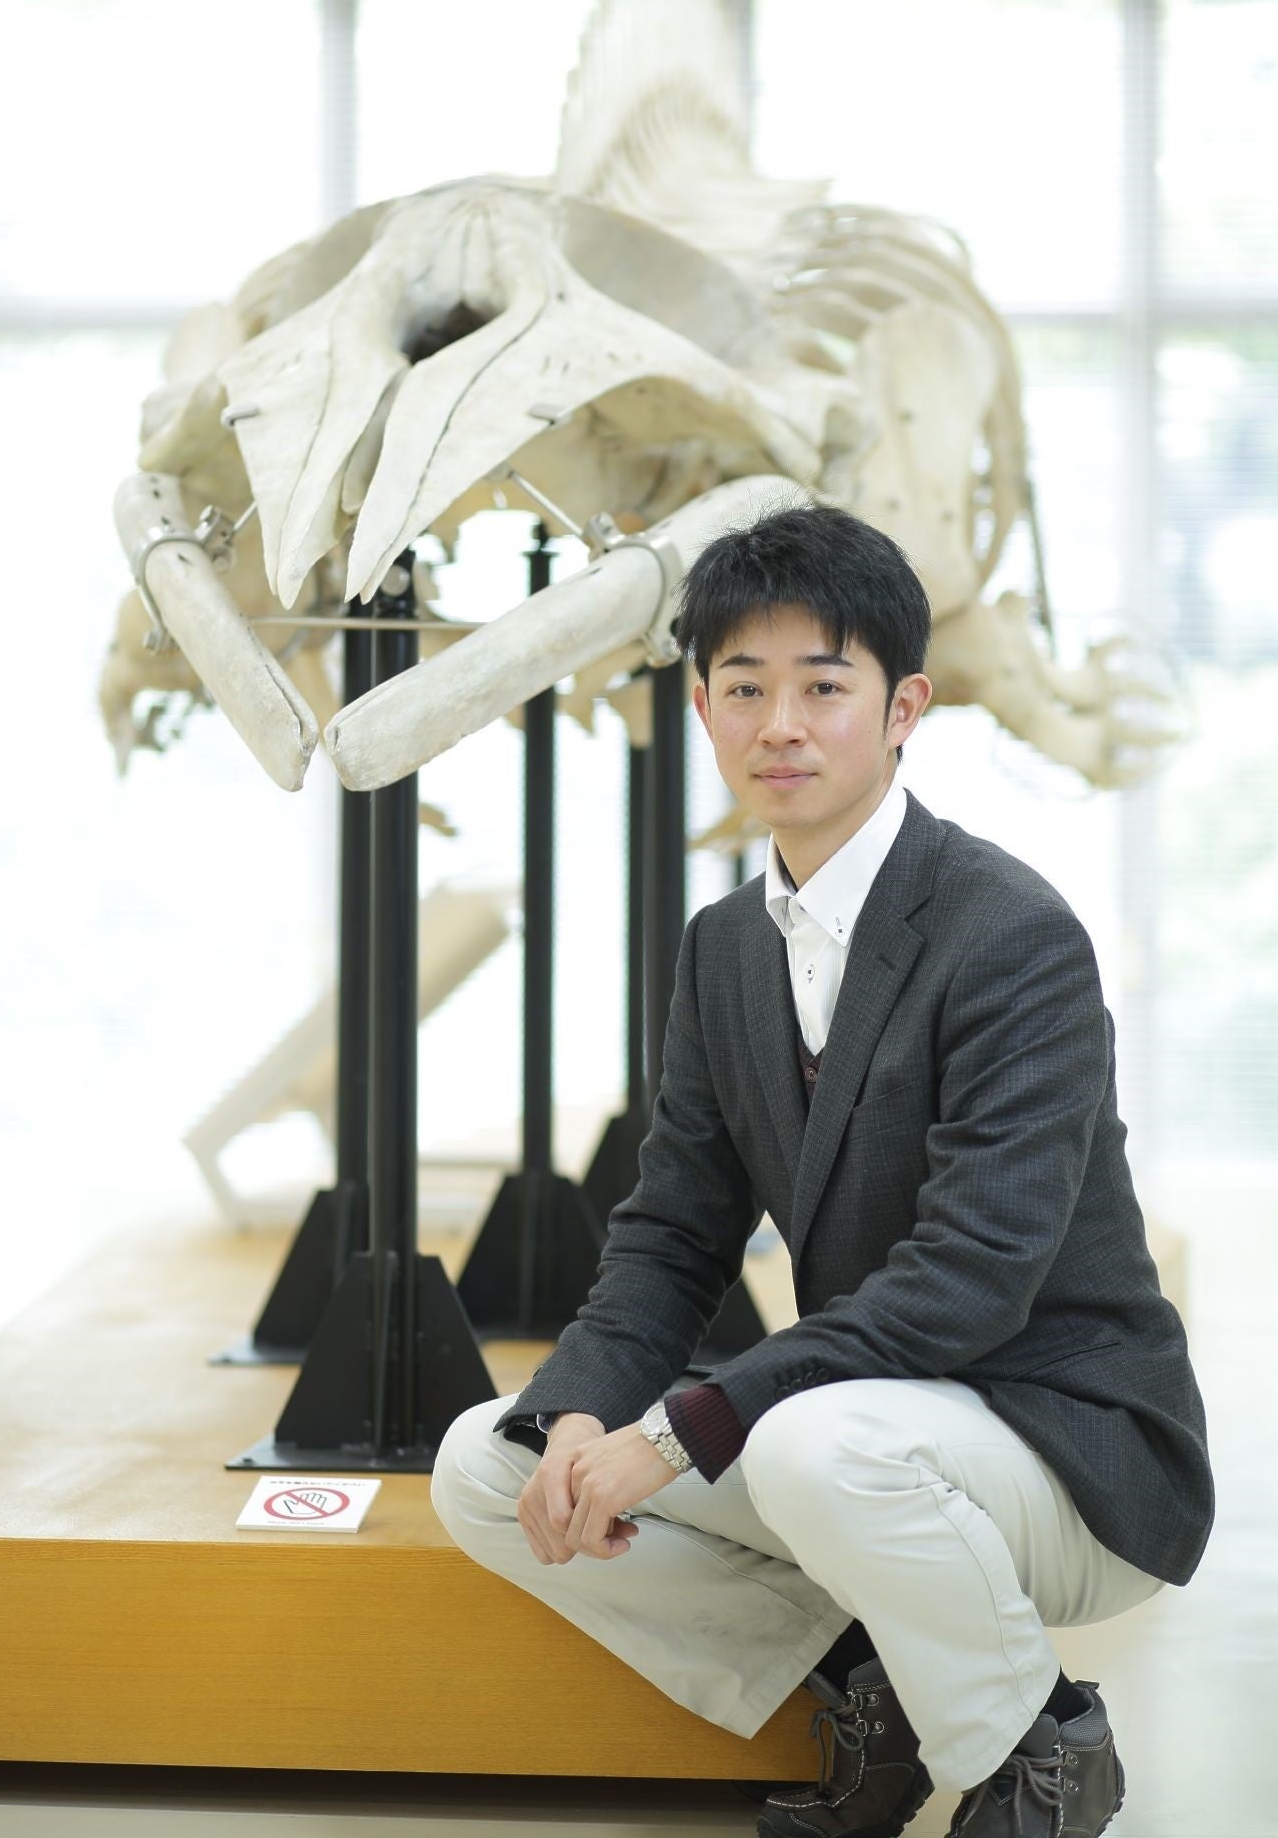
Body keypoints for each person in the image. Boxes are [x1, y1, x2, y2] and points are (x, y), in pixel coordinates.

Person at [430, 501, 1213, 1838]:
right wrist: (582, 1415)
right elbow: (672, 1236)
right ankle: (868, 1689)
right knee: (488, 1466)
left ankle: (1039, 1749)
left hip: (1066, 1450)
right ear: (701, 706)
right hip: (868, 1438)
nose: (779, 724)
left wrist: (672, 1435)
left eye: (823, 686)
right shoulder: (724, 947)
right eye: (744, 687)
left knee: (804, 1443)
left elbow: (967, 1283)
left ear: (904, 708)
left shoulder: (1011, 933)